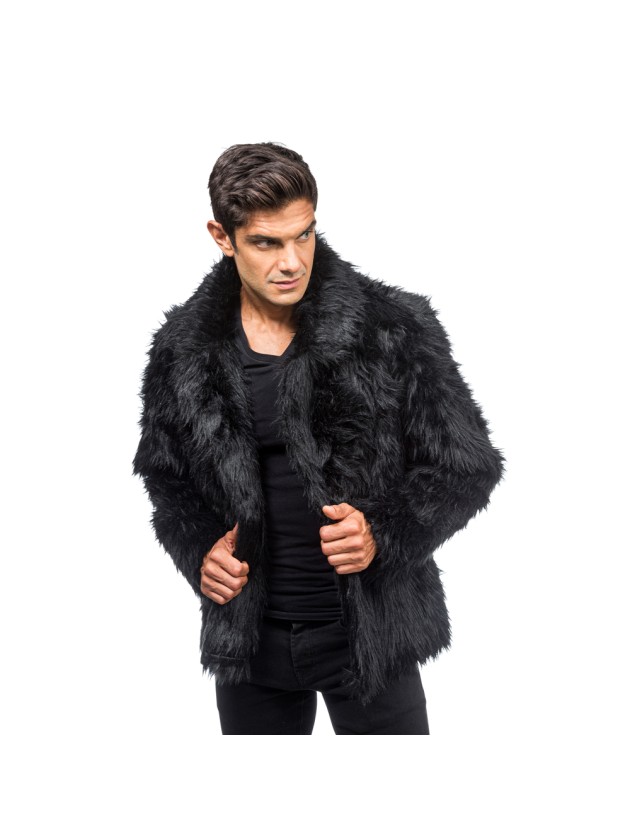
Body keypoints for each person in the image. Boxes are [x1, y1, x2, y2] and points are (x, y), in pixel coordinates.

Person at [132, 142, 504, 735]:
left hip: (371, 636)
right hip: (250, 642)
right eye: (266, 243)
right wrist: (200, 549)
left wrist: (383, 532)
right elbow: (165, 475)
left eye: (303, 235)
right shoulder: (183, 348)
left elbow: (468, 466)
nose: (292, 262)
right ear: (222, 237)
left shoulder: (393, 326)